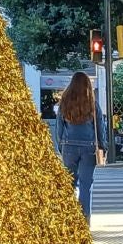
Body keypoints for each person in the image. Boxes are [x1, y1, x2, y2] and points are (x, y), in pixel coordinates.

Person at [52, 71, 101, 222]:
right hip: (89, 147)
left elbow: (59, 128)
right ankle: (84, 218)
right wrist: (102, 146)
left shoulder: (64, 103)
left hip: (69, 147)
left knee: (69, 184)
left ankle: (69, 218)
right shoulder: (92, 103)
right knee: (86, 185)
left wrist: (61, 146)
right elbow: (100, 127)